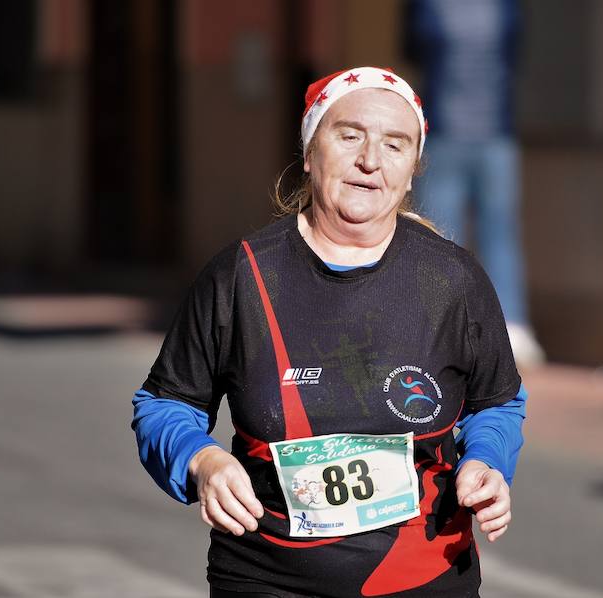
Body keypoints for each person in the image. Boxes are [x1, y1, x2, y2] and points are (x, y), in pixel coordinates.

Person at [132, 66, 529, 598]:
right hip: (268, 575)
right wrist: (201, 460)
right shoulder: (243, 276)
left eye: (395, 144)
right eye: (349, 137)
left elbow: (497, 401)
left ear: (412, 170)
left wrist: (487, 461)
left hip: (423, 574)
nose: (370, 161)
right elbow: (165, 403)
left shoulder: (452, 281)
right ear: (310, 152)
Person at [405, 0, 545, 365]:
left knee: (439, 235)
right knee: (499, 233)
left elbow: (413, 49)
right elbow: (515, 55)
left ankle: (438, 328)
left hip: (444, 130)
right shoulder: (505, 7)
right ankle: (512, 327)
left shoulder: (428, 6)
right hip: (495, 130)